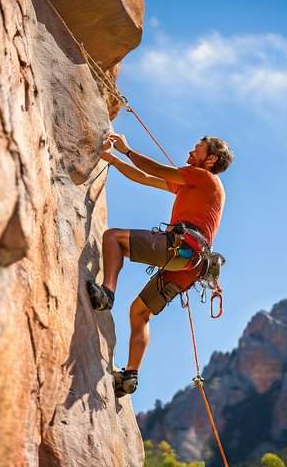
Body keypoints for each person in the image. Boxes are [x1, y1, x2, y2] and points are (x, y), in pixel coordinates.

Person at [87, 132, 234, 397]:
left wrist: (126, 149)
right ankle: (130, 375)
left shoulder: (203, 177)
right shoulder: (193, 183)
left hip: (182, 248)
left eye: (198, 149)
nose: (191, 152)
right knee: (140, 312)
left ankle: (107, 292)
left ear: (211, 159)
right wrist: (110, 158)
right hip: (192, 265)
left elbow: (153, 169)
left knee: (113, 238)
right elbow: (144, 178)